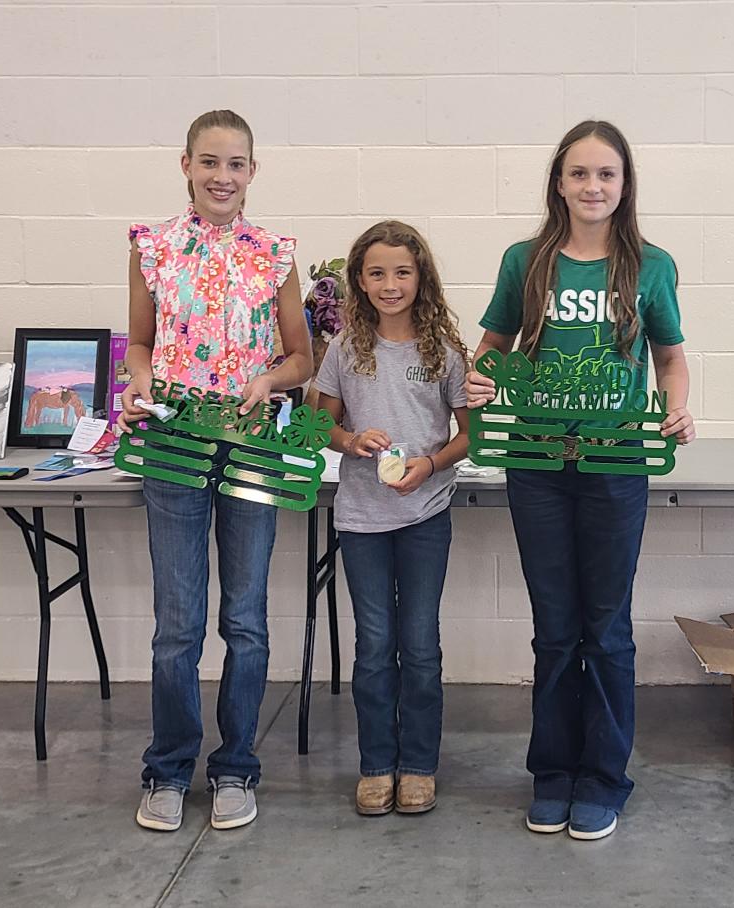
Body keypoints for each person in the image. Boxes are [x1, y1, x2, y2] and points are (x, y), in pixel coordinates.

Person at [466, 120, 696, 842]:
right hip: (535, 466)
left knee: (607, 628)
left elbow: (671, 359)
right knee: (555, 630)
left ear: (624, 186)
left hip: (617, 463)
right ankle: (554, 773)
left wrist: (679, 408)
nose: (593, 187)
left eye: (607, 175)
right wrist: (479, 380)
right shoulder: (525, 262)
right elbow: (492, 348)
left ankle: (604, 778)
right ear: (558, 183)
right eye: (579, 174)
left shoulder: (650, 266)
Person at [121, 109, 312, 833]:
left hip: (253, 445)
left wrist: (273, 381)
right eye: (209, 162)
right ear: (185, 165)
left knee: (246, 618)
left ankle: (236, 766)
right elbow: (140, 343)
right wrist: (139, 384)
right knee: (178, 622)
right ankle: (167, 769)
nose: (221, 177)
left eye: (235, 164)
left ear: (253, 172)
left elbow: (301, 355)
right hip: (174, 444)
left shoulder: (275, 253)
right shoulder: (153, 248)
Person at [313, 220, 472, 817]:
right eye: (376, 273)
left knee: (421, 645)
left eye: (402, 272)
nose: (390, 284)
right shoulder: (343, 351)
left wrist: (429, 465)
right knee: (375, 646)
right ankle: (377, 765)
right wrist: (348, 440)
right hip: (361, 520)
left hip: (426, 516)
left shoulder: (444, 353)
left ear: (420, 277)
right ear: (358, 279)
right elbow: (317, 425)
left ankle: (419, 766)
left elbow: (469, 438)